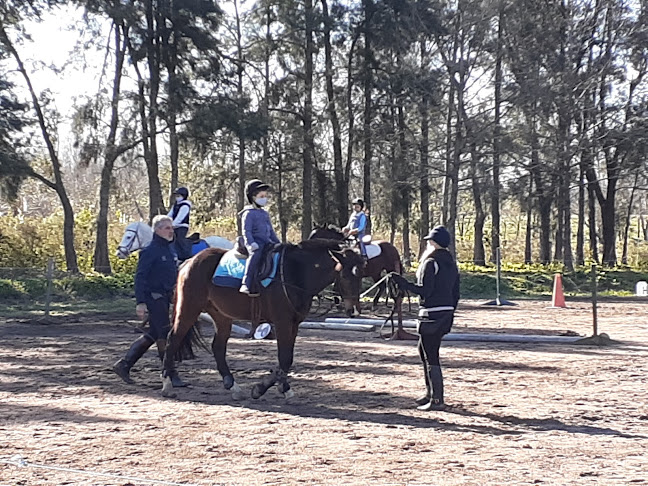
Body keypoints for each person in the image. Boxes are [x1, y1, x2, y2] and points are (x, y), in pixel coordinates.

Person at [390, 225, 460, 411]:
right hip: (446, 313)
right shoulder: (451, 263)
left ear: (433, 243)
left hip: (431, 313)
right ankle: (430, 392)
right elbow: (456, 292)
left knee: (430, 354)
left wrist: (404, 284)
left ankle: (437, 399)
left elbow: (425, 291)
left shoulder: (430, 263)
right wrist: (450, 311)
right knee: (424, 350)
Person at [113, 215, 187, 387]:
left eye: (171, 228)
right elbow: (140, 277)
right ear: (158, 230)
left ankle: (124, 364)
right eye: (167, 228)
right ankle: (169, 373)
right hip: (153, 298)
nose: (171, 231)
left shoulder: (170, 250)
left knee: (154, 333)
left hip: (165, 297)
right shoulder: (149, 251)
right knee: (163, 334)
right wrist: (140, 302)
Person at [239, 179, 280, 296]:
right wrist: (251, 243)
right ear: (253, 197)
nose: (264, 198)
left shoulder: (265, 213)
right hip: (256, 244)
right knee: (255, 257)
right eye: (261, 196)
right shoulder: (248, 213)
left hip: (268, 243)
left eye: (265, 196)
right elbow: (246, 231)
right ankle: (246, 283)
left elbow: (271, 231)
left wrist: (279, 243)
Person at [167, 186, 192, 261]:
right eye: (176, 196)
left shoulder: (185, 206)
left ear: (183, 196)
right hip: (173, 226)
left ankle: (185, 256)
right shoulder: (175, 205)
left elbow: (180, 218)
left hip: (182, 227)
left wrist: (172, 225)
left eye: (178, 196)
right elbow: (169, 215)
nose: (176, 197)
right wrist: (164, 222)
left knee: (179, 240)